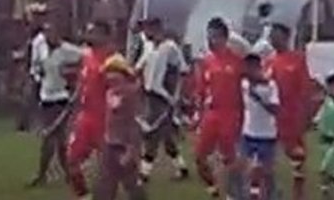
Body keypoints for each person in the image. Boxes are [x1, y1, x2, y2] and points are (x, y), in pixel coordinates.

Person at [27, 21, 84, 187]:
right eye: (47, 33)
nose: (49, 37)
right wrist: (38, 75)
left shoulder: (67, 50)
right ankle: (67, 173)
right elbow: (35, 67)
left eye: (52, 33)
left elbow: (85, 58)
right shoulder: (41, 48)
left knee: (52, 137)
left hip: (61, 97)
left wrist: (73, 74)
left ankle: (44, 174)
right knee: (58, 139)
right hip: (46, 96)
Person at [195, 17, 244, 199]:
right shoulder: (207, 61)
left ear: (224, 38)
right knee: (200, 157)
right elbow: (201, 90)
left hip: (230, 115)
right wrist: (197, 114)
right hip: (211, 115)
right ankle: (214, 191)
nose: (211, 41)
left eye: (214, 36)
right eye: (209, 36)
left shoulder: (237, 62)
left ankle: (233, 195)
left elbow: (244, 90)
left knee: (230, 160)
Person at [135, 18, 190, 182]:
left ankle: (144, 173)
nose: (145, 32)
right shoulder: (150, 47)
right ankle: (181, 167)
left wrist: (176, 95)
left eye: (148, 28)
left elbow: (182, 70)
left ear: (157, 29)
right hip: (151, 95)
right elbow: (139, 67)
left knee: (152, 133)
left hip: (163, 97)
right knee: (165, 135)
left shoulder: (170, 47)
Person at [66, 21, 115, 199]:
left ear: (105, 36)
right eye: (89, 32)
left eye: (93, 33)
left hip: (105, 119)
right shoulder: (87, 56)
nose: (89, 36)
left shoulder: (112, 60)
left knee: (110, 169)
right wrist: (75, 100)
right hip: (86, 118)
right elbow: (83, 81)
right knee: (72, 160)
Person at [265, 23, 314, 200]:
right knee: (268, 156)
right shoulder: (269, 61)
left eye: (275, 35)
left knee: (296, 156)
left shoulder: (297, 59)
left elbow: (305, 89)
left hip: (292, 115)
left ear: (285, 37)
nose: (272, 39)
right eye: (271, 36)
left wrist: (306, 114)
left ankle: (298, 193)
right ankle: (271, 191)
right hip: (273, 117)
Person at [94, 54, 146, 200]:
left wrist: (131, 149)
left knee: (131, 184)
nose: (109, 78)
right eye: (108, 74)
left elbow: (134, 122)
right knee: (105, 185)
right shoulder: (110, 92)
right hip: (110, 143)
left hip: (124, 145)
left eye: (113, 74)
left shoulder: (130, 93)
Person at [239, 53, 280, 200]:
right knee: (251, 169)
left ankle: (270, 194)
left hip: (267, 134)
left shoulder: (270, 86)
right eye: (247, 66)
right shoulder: (243, 84)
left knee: (266, 172)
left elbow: (275, 109)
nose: (249, 70)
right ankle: (253, 195)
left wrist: (259, 98)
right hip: (248, 133)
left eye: (252, 66)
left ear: (258, 67)